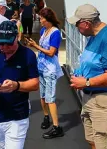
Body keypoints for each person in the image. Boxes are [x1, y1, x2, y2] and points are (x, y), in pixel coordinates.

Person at [68, 4, 107, 149]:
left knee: (104, 145)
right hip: (91, 98)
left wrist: (86, 82)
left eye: (77, 24)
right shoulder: (94, 36)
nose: (75, 27)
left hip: (104, 101)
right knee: (92, 140)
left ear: (86, 23)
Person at [0, 21, 39, 149]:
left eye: (8, 43)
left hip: (17, 117)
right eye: (1, 43)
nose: (4, 47)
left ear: (17, 37)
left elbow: (35, 84)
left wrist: (16, 86)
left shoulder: (28, 55)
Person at [26, 7, 64, 139]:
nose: (40, 20)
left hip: (50, 69)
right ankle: (46, 116)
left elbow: (52, 52)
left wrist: (36, 46)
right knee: (42, 96)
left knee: (50, 98)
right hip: (41, 67)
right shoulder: (44, 30)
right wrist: (35, 45)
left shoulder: (55, 33)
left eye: (41, 18)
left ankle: (56, 127)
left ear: (47, 19)